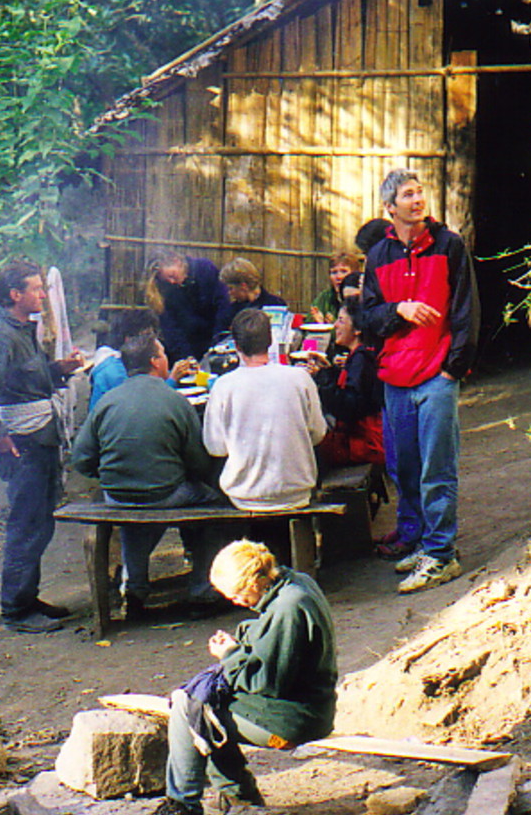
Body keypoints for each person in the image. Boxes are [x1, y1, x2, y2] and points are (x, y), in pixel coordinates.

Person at [131, 540, 337, 815]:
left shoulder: (288, 607)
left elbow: (265, 682)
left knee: (190, 708)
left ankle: (183, 809)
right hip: (306, 702)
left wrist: (230, 655)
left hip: (295, 717)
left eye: (239, 595)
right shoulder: (294, 582)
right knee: (206, 703)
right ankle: (240, 801)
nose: (236, 601)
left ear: (255, 580)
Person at [359, 168, 478, 595]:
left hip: (435, 375)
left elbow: (466, 310)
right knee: (403, 466)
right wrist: (401, 310)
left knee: (436, 467)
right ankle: (421, 541)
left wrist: (454, 367)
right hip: (397, 375)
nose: (417, 200)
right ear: (389, 208)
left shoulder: (449, 246)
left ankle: (442, 554)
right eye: (407, 195)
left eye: (419, 192)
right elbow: (367, 317)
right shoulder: (378, 256)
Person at [0, 260, 86, 633]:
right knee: (26, 524)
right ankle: (16, 609)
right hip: (24, 445)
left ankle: (27, 597)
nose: (42, 295)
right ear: (15, 295)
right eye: (36, 289)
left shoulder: (22, 330)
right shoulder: (1, 336)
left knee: (41, 522)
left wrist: (59, 369)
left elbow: (24, 380)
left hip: (40, 439)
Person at [71, 330, 222, 619]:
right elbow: (199, 463)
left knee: (133, 518)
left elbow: (82, 458)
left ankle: (136, 589)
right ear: (155, 361)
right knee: (213, 502)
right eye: (164, 354)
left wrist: (107, 475)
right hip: (165, 493)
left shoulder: (107, 402)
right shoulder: (176, 401)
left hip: (117, 495)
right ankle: (201, 587)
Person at [202, 309, 327, 512]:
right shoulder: (300, 378)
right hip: (297, 491)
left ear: (237, 345)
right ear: (270, 341)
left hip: (243, 495)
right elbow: (318, 434)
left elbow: (216, 448)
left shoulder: (224, 386)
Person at [305, 298, 384, 468]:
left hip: (364, 444)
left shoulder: (362, 361)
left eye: (341, 321)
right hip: (359, 437)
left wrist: (323, 380)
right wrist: (326, 371)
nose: (335, 326)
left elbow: (347, 408)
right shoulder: (359, 356)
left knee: (306, 451)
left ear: (357, 330)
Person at [147, 252, 232, 365]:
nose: (172, 282)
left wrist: (216, 345)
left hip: (214, 340)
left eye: (172, 275)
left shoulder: (205, 269)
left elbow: (223, 306)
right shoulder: (166, 289)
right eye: (167, 280)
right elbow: (171, 329)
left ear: (177, 261)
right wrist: (187, 359)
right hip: (188, 345)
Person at [87, 308, 159, 414]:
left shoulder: (120, 361)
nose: (153, 342)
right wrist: (172, 381)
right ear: (129, 339)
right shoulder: (117, 373)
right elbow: (144, 409)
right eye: (147, 336)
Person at [220, 258, 287, 322]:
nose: (229, 292)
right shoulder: (228, 312)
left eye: (231, 288)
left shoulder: (276, 306)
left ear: (244, 286)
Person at [308, 252, 361, 322]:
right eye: (334, 272)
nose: (338, 277)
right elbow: (307, 324)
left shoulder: (361, 298)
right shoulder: (325, 297)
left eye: (344, 271)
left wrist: (334, 325)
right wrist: (317, 322)